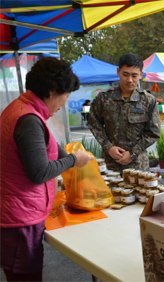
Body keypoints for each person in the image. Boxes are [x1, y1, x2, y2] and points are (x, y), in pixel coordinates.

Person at [0, 58, 93, 281]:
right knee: (26, 277)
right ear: (52, 91)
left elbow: (46, 146)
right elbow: (39, 172)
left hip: (13, 211)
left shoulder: (22, 108)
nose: (65, 101)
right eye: (66, 94)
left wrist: (71, 156)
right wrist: (72, 160)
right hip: (19, 219)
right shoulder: (29, 119)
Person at [88, 54, 161, 173]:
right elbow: (93, 123)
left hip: (138, 165)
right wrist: (108, 147)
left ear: (140, 75)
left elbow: (153, 132)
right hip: (111, 163)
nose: (129, 80)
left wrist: (132, 153)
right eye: (125, 74)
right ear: (118, 72)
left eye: (134, 75)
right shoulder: (104, 98)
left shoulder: (148, 100)